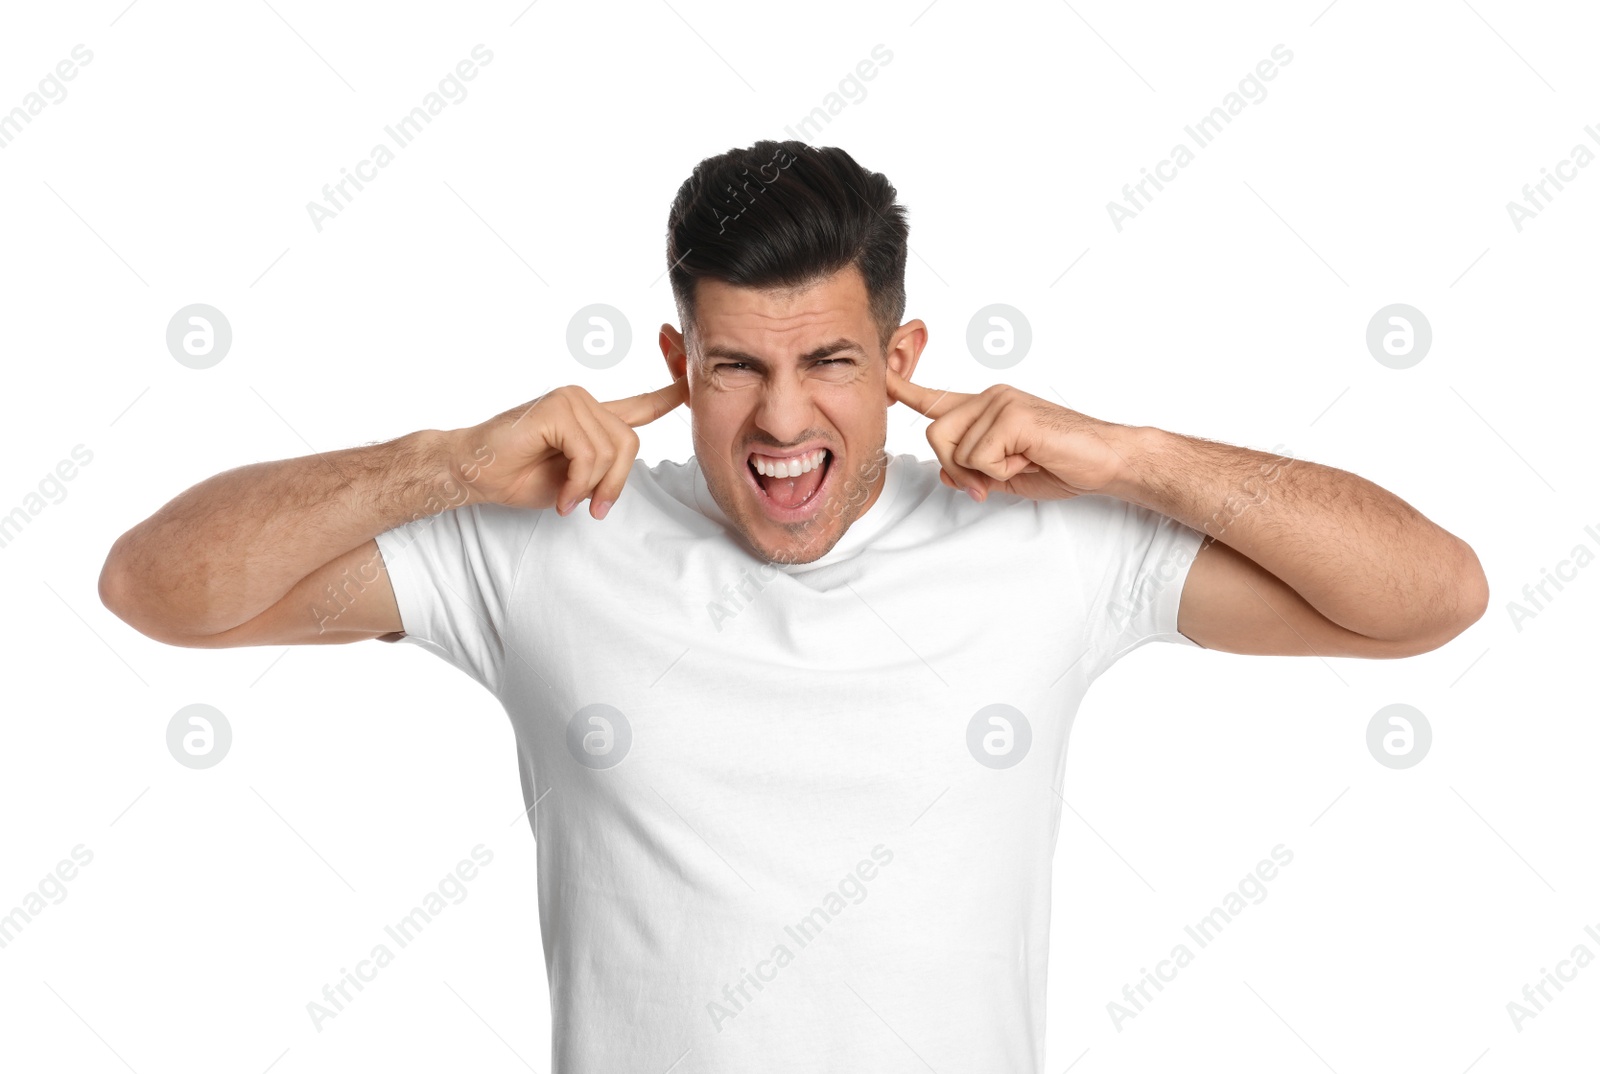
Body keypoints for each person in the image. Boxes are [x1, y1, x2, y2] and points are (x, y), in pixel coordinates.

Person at [99, 140, 1488, 1073]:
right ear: (674, 359)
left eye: (829, 361)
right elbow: (155, 587)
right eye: (732, 367)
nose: (781, 419)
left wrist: (1130, 453)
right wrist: (448, 461)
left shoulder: (1046, 541)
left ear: (902, 358)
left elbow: (1429, 597)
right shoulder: (546, 538)